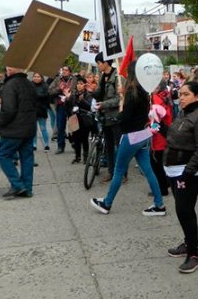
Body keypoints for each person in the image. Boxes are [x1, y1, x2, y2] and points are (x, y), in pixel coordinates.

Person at [90, 60, 166, 217]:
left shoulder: (132, 92)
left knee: (118, 170)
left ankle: (107, 203)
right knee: (148, 170)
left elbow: (125, 116)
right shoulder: (144, 92)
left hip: (131, 136)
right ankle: (159, 204)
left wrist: (116, 116)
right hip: (143, 135)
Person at [164, 81, 198, 273]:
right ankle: (187, 243)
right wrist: (159, 127)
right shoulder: (184, 112)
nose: (181, 98)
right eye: (181, 94)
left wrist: (187, 173)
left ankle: (194, 254)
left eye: (186, 94)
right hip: (175, 170)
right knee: (182, 210)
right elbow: (176, 137)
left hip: (188, 172)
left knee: (185, 211)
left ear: (197, 97)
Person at [0, 67, 37, 198]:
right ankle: (27, 188)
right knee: (27, 158)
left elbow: (8, 110)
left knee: (3, 155)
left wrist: (1, 122)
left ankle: (18, 185)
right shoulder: (29, 84)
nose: (7, 69)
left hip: (14, 129)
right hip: (29, 127)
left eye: (10, 67)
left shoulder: (11, 85)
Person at [93, 52, 122, 182]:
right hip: (104, 117)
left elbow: (119, 99)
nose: (98, 66)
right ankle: (111, 172)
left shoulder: (118, 77)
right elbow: (100, 93)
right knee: (108, 146)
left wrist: (104, 104)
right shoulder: (101, 77)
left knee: (119, 146)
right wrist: (91, 91)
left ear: (105, 63)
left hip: (115, 117)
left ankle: (123, 173)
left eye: (99, 63)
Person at [150, 80, 173, 197]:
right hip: (165, 132)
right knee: (161, 162)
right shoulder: (165, 96)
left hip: (158, 135)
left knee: (156, 163)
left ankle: (162, 189)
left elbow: (155, 120)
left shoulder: (156, 99)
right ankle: (166, 183)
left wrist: (150, 128)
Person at [66, 77, 95, 164]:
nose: (79, 85)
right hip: (74, 118)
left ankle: (86, 157)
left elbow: (89, 107)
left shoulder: (88, 95)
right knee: (76, 138)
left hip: (84, 119)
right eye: (78, 84)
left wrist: (82, 100)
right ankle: (77, 156)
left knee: (84, 139)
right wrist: (67, 99)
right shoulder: (73, 94)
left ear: (85, 85)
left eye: (81, 84)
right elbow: (68, 107)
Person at [49, 66, 74, 154]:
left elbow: (79, 89)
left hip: (71, 105)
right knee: (60, 126)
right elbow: (50, 91)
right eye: (63, 70)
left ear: (70, 72)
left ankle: (74, 143)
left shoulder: (74, 79)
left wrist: (70, 94)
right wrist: (59, 88)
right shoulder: (57, 79)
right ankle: (60, 146)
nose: (64, 71)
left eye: (66, 70)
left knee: (73, 126)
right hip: (61, 105)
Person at [31, 73, 51, 152]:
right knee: (33, 129)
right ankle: (34, 144)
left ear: (41, 78)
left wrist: (36, 95)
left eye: (38, 76)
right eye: (35, 76)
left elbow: (47, 96)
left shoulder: (45, 86)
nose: (36, 78)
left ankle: (46, 144)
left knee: (43, 128)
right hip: (32, 110)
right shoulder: (30, 85)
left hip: (42, 110)